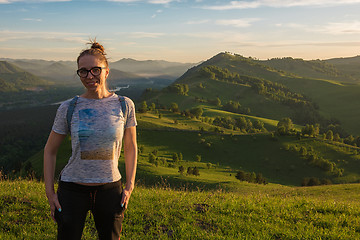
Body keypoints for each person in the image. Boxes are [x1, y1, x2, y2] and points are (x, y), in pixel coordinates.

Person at [44, 40, 137, 240]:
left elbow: (131, 148)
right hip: (71, 191)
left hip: (110, 190)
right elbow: (50, 150)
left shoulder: (124, 105)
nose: (89, 76)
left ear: (107, 71)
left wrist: (129, 186)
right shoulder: (69, 107)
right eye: (83, 71)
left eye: (96, 70)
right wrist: (50, 193)